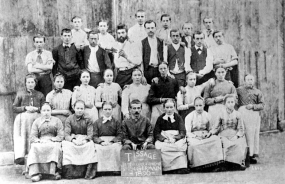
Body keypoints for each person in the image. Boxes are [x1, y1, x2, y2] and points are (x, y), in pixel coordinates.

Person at [12, 74, 45, 165]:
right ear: (25, 83)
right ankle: (22, 156)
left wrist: (37, 109)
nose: (30, 84)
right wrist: (25, 108)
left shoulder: (40, 95)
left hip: (36, 117)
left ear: (35, 83)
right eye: (28, 82)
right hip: (23, 119)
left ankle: (36, 155)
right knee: (23, 135)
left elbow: (45, 108)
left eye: (32, 82)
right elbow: (14, 108)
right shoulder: (21, 94)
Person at [27, 102, 63, 182]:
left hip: (53, 140)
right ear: (40, 111)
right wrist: (38, 140)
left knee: (55, 147)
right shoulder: (36, 122)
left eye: (48, 110)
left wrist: (54, 139)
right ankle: (36, 173)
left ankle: (53, 173)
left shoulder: (57, 121)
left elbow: (61, 135)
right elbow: (33, 136)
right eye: (44, 110)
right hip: (41, 141)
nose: (46, 112)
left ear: (51, 111)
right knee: (35, 147)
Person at [185, 97, 224, 170]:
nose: (199, 108)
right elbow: (187, 132)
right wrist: (196, 136)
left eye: (200, 105)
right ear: (194, 106)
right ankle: (197, 165)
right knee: (193, 145)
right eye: (197, 106)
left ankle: (213, 163)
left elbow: (211, 129)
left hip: (205, 134)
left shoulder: (208, 115)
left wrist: (208, 134)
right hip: (194, 135)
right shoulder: (189, 116)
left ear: (204, 105)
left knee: (216, 140)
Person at [210, 94, 247, 170]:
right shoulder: (221, 114)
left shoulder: (238, 114)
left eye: (232, 102)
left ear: (235, 103)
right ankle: (222, 162)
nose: (230, 104)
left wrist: (237, 136)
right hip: (224, 134)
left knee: (240, 142)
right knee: (219, 143)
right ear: (225, 104)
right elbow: (216, 127)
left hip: (235, 134)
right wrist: (211, 133)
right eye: (228, 102)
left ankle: (239, 162)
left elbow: (241, 129)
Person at [62, 100, 97, 179]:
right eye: (78, 108)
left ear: (84, 109)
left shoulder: (88, 119)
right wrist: (73, 140)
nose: (80, 110)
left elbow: (90, 134)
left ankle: (88, 172)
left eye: (82, 108)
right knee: (66, 145)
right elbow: (66, 134)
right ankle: (70, 172)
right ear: (74, 108)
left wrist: (85, 141)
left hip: (84, 139)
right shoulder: (69, 119)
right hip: (73, 139)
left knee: (90, 145)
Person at [154, 99, 188, 174]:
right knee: (159, 146)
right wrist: (163, 139)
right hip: (165, 138)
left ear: (174, 107)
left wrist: (175, 138)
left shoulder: (178, 117)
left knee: (180, 146)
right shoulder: (160, 118)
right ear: (164, 108)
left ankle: (179, 167)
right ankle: (166, 168)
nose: (169, 110)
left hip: (175, 137)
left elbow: (182, 131)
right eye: (167, 107)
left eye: (171, 107)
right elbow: (156, 132)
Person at [237, 74, 265, 164]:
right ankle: (242, 155)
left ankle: (251, 155)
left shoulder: (258, 92)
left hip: (253, 114)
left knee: (252, 134)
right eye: (248, 79)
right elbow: (232, 95)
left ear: (254, 80)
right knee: (243, 133)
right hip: (242, 113)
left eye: (251, 79)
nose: (249, 81)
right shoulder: (239, 90)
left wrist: (253, 106)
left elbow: (262, 105)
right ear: (244, 81)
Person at [147, 62, 179, 126]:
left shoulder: (173, 81)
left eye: (164, 68)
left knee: (176, 118)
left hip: (170, 105)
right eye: (161, 69)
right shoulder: (155, 81)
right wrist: (161, 100)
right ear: (158, 70)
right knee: (155, 117)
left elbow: (176, 94)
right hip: (158, 106)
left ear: (168, 69)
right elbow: (150, 99)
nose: (163, 70)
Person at [93, 102, 123, 172]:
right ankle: (101, 170)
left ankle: (115, 169)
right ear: (102, 110)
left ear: (112, 110)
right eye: (105, 109)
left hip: (113, 140)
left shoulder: (116, 122)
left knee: (117, 148)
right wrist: (101, 142)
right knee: (98, 149)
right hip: (101, 141)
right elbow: (94, 136)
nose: (107, 111)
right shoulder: (97, 122)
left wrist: (113, 141)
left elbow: (120, 134)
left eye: (109, 109)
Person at [113, 24, 143, 88]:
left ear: (126, 33)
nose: (121, 35)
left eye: (123, 32)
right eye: (119, 33)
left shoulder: (133, 44)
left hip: (131, 73)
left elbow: (139, 61)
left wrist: (126, 57)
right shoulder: (114, 45)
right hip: (121, 73)